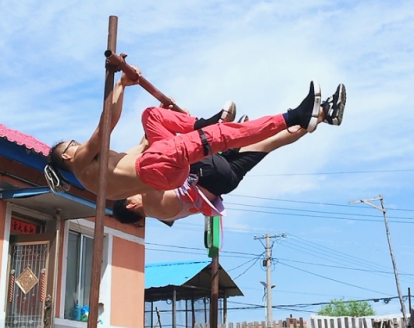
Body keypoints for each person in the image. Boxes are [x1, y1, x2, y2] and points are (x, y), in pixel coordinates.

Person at [47, 77, 322, 201]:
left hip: (161, 173)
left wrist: (170, 119)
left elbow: (143, 146)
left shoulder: (100, 177)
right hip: (156, 166)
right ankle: (294, 116)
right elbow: (105, 125)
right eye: (72, 145)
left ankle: (205, 123)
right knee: (223, 136)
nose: (78, 144)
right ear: (68, 156)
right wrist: (120, 85)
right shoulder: (81, 164)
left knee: (151, 116)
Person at [111, 83, 346, 225]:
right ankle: (211, 127)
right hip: (207, 173)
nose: (130, 191)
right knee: (225, 137)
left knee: (268, 143)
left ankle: (324, 114)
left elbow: (150, 150)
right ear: (131, 206)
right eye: (128, 195)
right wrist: (170, 125)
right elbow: (153, 163)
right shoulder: (153, 209)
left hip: (221, 179)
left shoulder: (160, 211)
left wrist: (168, 121)